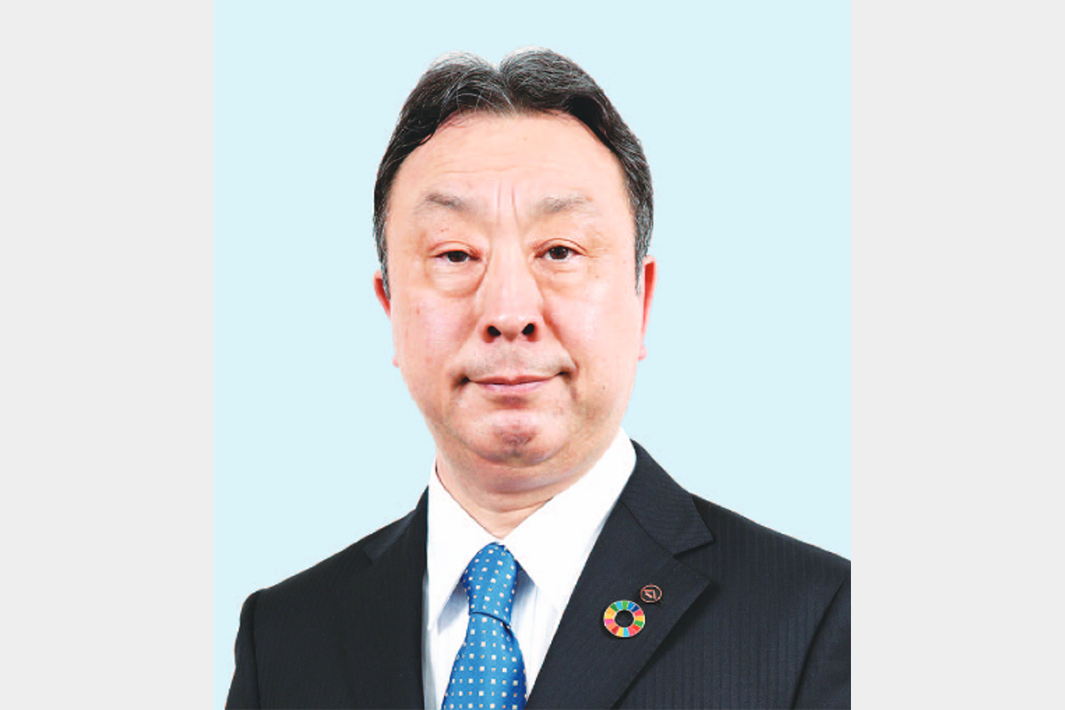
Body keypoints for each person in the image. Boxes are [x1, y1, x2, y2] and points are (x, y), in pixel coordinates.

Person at [226, 48, 850, 709]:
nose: (508, 312)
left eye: (559, 251)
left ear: (641, 299)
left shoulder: (816, 618)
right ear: (390, 307)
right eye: (455, 255)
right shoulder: (287, 634)